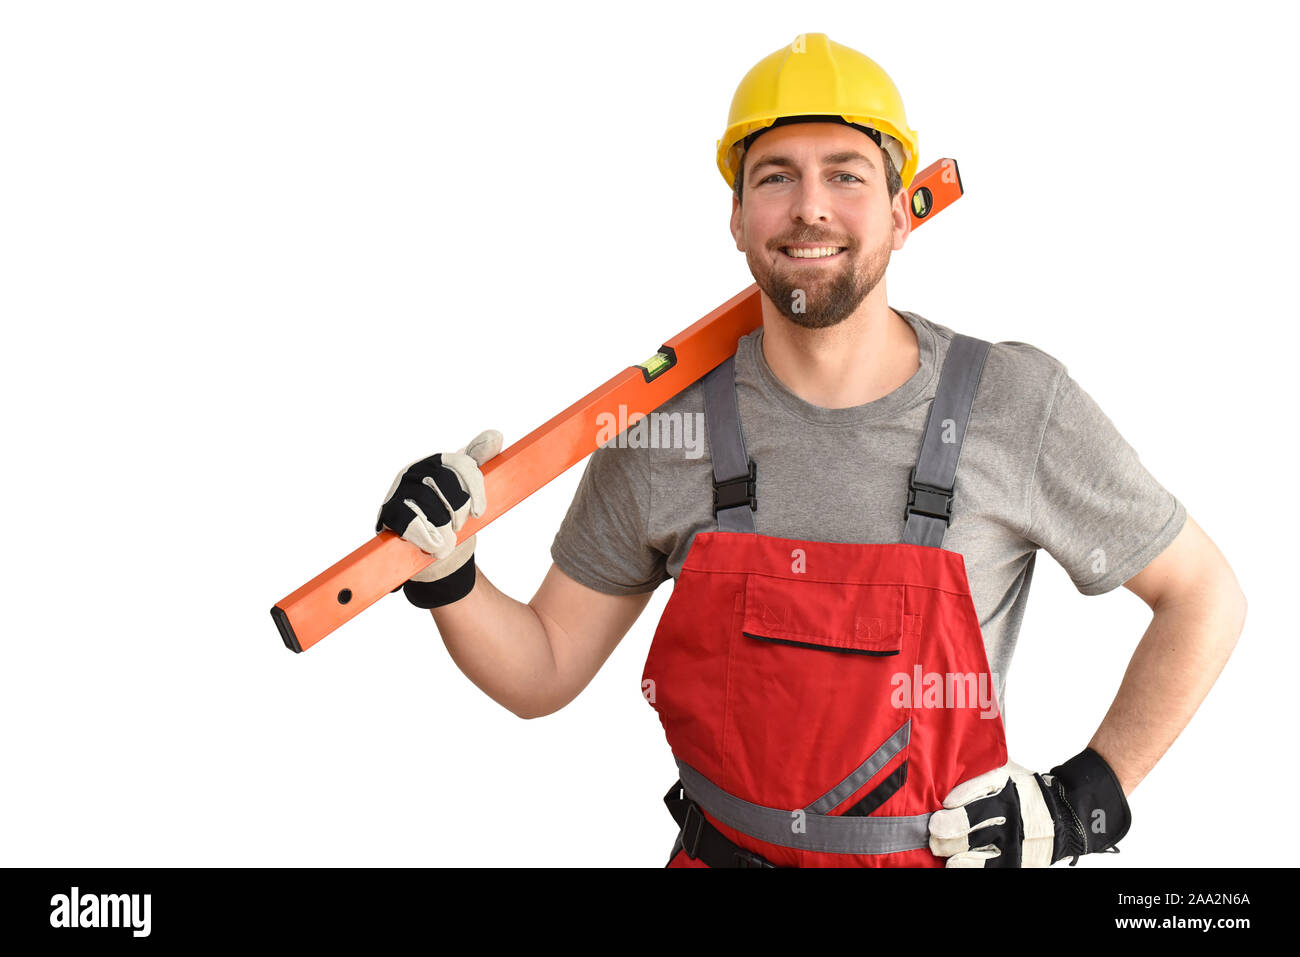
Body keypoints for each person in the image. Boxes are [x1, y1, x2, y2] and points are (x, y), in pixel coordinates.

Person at [375, 33, 1246, 867]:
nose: (811, 206)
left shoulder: (1012, 403)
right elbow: (545, 667)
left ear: (906, 215)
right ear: (738, 217)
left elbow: (1203, 594)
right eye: (777, 177)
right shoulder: (660, 427)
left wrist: (1085, 798)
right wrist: (448, 577)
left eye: (846, 175)